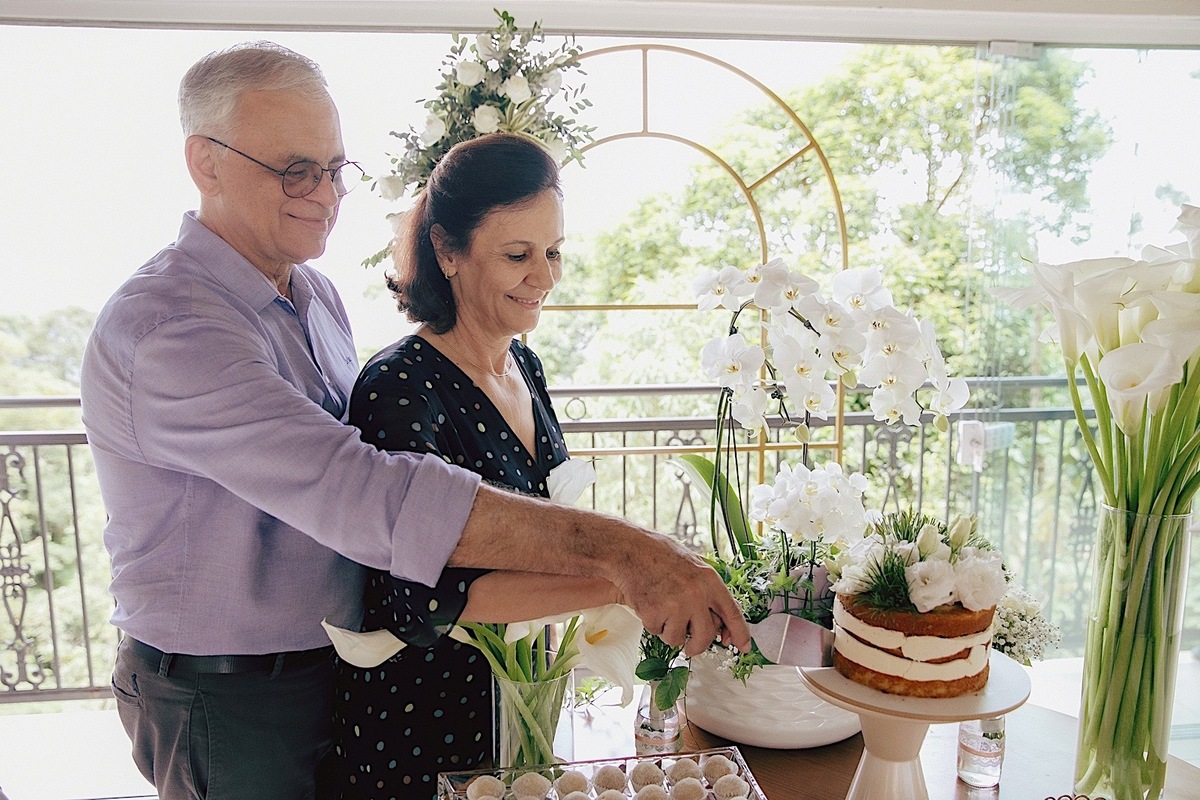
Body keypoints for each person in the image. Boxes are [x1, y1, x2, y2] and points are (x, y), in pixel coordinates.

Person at [79, 41, 749, 800]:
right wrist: (625, 555)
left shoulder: (316, 296)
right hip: (228, 696)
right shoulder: (171, 328)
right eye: (296, 170)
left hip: (331, 669)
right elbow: (366, 492)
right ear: (205, 161)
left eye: (336, 170)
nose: (325, 194)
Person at [330, 132, 612, 797]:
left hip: (524, 706)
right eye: (517, 255)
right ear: (447, 252)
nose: (543, 277)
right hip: (425, 729)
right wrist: (622, 577)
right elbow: (419, 599)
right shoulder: (399, 386)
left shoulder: (525, 365)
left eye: (553, 252)